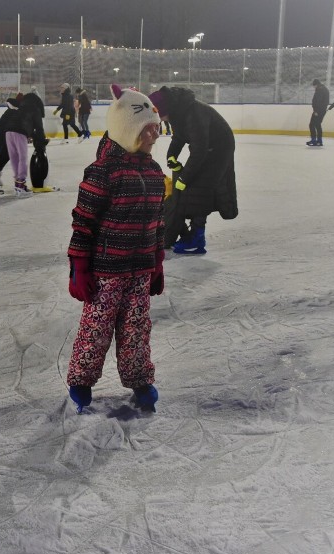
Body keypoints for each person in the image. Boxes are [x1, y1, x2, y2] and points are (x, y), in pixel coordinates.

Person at [65, 84, 166, 414]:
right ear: (127, 131)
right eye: (147, 129)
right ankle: (81, 381)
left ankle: (140, 380)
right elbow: (83, 223)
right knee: (96, 328)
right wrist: (79, 267)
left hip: (139, 269)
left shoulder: (153, 172)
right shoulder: (103, 171)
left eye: (156, 128)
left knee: (137, 328)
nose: (154, 135)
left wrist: (157, 262)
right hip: (106, 271)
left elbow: (158, 223)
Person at [149, 86, 238, 254]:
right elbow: (179, 136)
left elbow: (200, 150)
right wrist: (171, 156)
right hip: (205, 149)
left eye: (160, 116)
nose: (160, 120)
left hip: (219, 149)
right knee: (192, 188)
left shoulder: (194, 113)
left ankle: (197, 238)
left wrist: (184, 179)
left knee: (199, 190)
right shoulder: (178, 111)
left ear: (165, 109)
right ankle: (191, 233)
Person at [307, 79, 330, 147]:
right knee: (317, 125)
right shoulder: (325, 89)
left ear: (316, 84)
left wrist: (316, 111)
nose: (314, 87)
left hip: (318, 110)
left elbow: (318, 101)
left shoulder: (320, 90)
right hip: (322, 110)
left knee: (312, 125)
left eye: (314, 86)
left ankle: (314, 140)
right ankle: (319, 141)